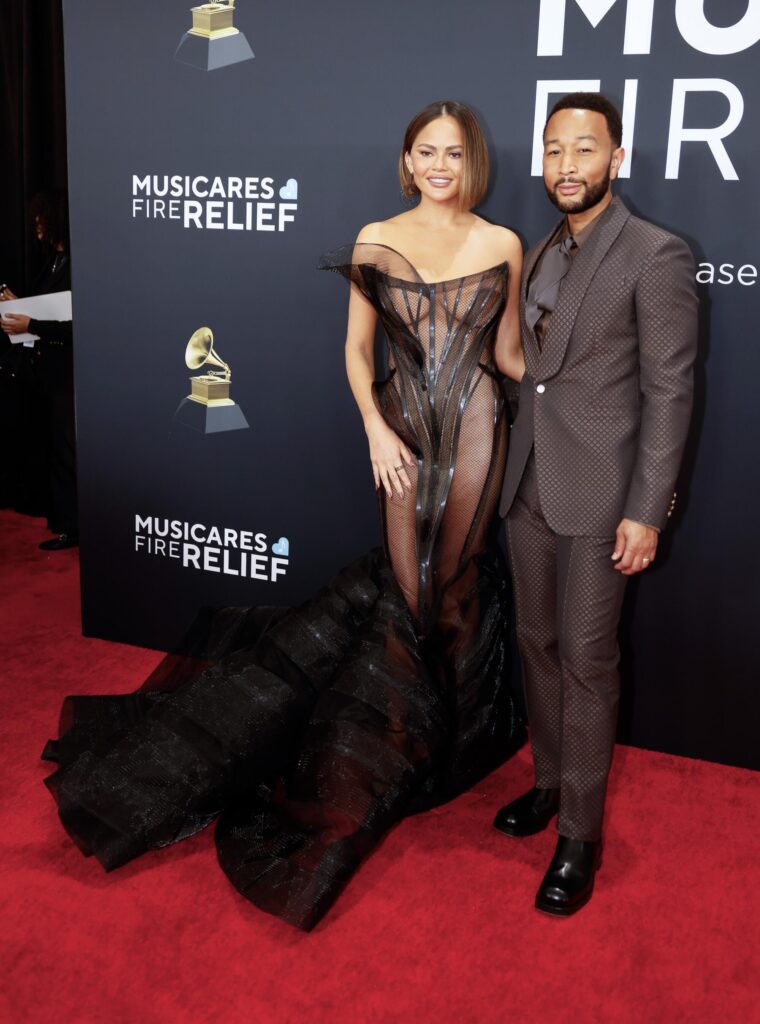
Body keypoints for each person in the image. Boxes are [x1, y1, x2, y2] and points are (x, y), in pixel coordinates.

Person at [42, 101, 526, 931]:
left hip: (482, 421)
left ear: (471, 161)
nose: (440, 165)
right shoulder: (376, 237)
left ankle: (441, 745)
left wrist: (585, 372)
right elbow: (354, 349)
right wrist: (374, 427)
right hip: (401, 425)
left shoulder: (504, 243)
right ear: (406, 160)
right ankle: (393, 749)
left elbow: (510, 353)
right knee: (408, 591)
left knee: (455, 584)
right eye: (425, 151)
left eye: (453, 152)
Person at [493, 93, 698, 916]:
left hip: (606, 494)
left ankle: (580, 833)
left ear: (618, 158)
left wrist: (648, 511)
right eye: (554, 150)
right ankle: (547, 783)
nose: (566, 165)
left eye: (584, 149)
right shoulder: (543, 247)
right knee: (535, 640)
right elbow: (532, 369)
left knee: (586, 658)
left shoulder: (657, 253)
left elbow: (671, 392)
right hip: (527, 484)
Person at [1, 190, 78, 550]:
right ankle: (64, 521)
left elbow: (74, 326)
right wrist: (20, 308)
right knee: (55, 450)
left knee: (67, 451)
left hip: (68, 378)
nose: (36, 226)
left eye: (41, 218)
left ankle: (74, 529)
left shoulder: (78, 266)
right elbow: (47, 313)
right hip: (47, 376)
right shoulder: (52, 263)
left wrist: (30, 323)